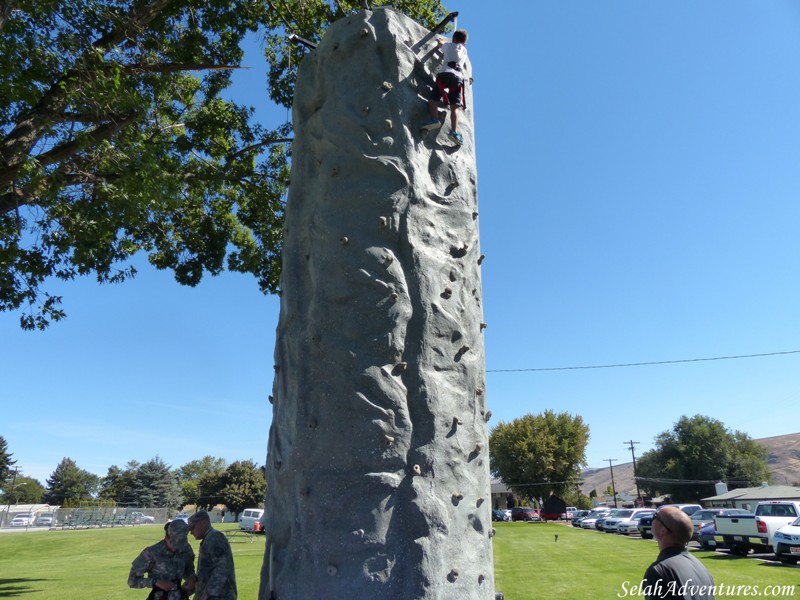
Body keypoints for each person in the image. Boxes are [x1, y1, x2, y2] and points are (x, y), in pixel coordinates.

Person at [642, 506, 715, 599]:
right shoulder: (700, 567)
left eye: (655, 517)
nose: (652, 520)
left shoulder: (659, 571)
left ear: (663, 531)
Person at [420, 29, 469, 145]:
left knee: (433, 99)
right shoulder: (465, 51)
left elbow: (440, 47)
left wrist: (440, 43)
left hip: (445, 74)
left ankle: (434, 119)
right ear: (464, 43)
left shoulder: (448, 46)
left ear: (453, 39)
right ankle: (454, 132)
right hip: (458, 78)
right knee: (454, 107)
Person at [128, 519, 196, 600]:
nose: (177, 547)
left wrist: (191, 578)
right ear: (167, 537)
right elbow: (132, 581)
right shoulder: (151, 553)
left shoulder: (185, 549)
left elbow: (188, 569)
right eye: (174, 543)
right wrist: (155, 582)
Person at [187, 510, 237, 600]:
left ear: (203, 523)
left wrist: (206, 595)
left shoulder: (214, 538)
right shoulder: (209, 538)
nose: (191, 532)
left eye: (193, 527)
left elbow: (222, 569)